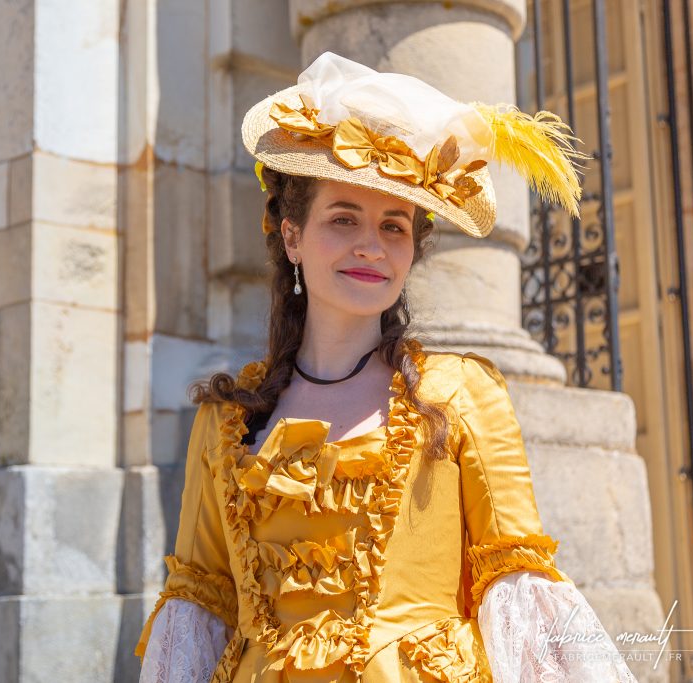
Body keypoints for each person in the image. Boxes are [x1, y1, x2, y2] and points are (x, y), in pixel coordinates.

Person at [135, 52, 637, 683]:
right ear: (291, 236)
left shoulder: (461, 393)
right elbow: (199, 609)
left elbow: (517, 587)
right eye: (343, 219)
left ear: (412, 250)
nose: (371, 245)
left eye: (394, 227)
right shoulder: (226, 422)